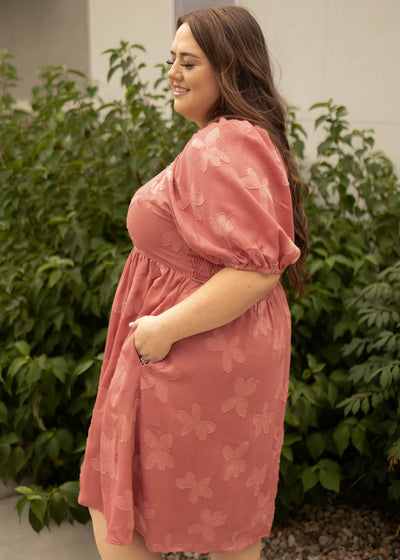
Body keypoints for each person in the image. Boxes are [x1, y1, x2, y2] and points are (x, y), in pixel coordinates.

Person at [78, 6, 308, 560]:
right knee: (223, 521)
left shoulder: (222, 143)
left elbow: (257, 267)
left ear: (227, 68)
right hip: (206, 349)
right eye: (171, 61)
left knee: (119, 501)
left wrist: (160, 331)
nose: (173, 73)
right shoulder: (234, 138)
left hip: (185, 350)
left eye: (189, 62)